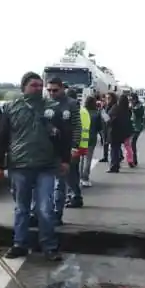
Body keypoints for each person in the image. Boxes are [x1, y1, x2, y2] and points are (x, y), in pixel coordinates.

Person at [0, 72, 71, 261]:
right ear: (23, 87)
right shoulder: (11, 108)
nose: (37, 88)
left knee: (45, 208)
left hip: (46, 166)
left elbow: (64, 136)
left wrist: (65, 160)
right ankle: (19, 243)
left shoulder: (52, 108)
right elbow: (1, 138)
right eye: (33, 85)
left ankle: (49, 246)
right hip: (19, 166)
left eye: (39, 85)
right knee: (22, 208)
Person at [48, 78, 82, 224]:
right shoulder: (45, 104)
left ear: (62, 89)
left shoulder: (71, 104)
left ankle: (57, 213)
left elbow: (76, 126)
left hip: (64, 150)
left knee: (60, 184)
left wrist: (75, 146)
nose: (51, 93)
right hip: (46, 149)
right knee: (44, 184)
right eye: (49, 90)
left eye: (55, 90)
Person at [64, 88, 90, 208]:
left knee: (70, 174)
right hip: (82, 145)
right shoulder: (84, 110)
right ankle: (74, 195)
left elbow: (74, 129)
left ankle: (75, 196)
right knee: (73, 173)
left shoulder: (75, 111)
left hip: (75, 146)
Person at [106, 93, 131, 173]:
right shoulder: (127, 109)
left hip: (114, 131)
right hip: (122, 132)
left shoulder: (116, 108)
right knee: (117, 148)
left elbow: (109, 119)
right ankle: (116, 164)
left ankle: (114, 166)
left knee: (114, 149)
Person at [79, 95, 101, 187]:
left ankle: (79, 177)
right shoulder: (96, 113)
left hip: (80, 138)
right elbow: (99, 127)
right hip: (91, 138)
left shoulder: (81, 112)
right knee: (88, 159)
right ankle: (85, 178)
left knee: (80, 159)